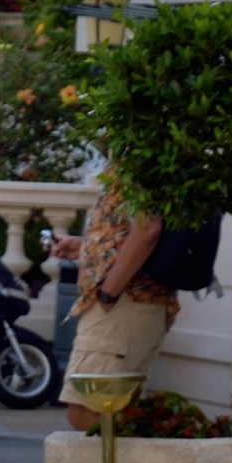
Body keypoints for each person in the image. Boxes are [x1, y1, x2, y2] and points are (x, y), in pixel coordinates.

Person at [52, 176, 176, 431]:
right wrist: (86, 248)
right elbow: (131, 230)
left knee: (87, 411)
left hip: (123, 303)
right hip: (139, 303)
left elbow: (148, 228)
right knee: (116, 415)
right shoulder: (141, 154)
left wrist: (109, 292)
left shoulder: (136, 153)